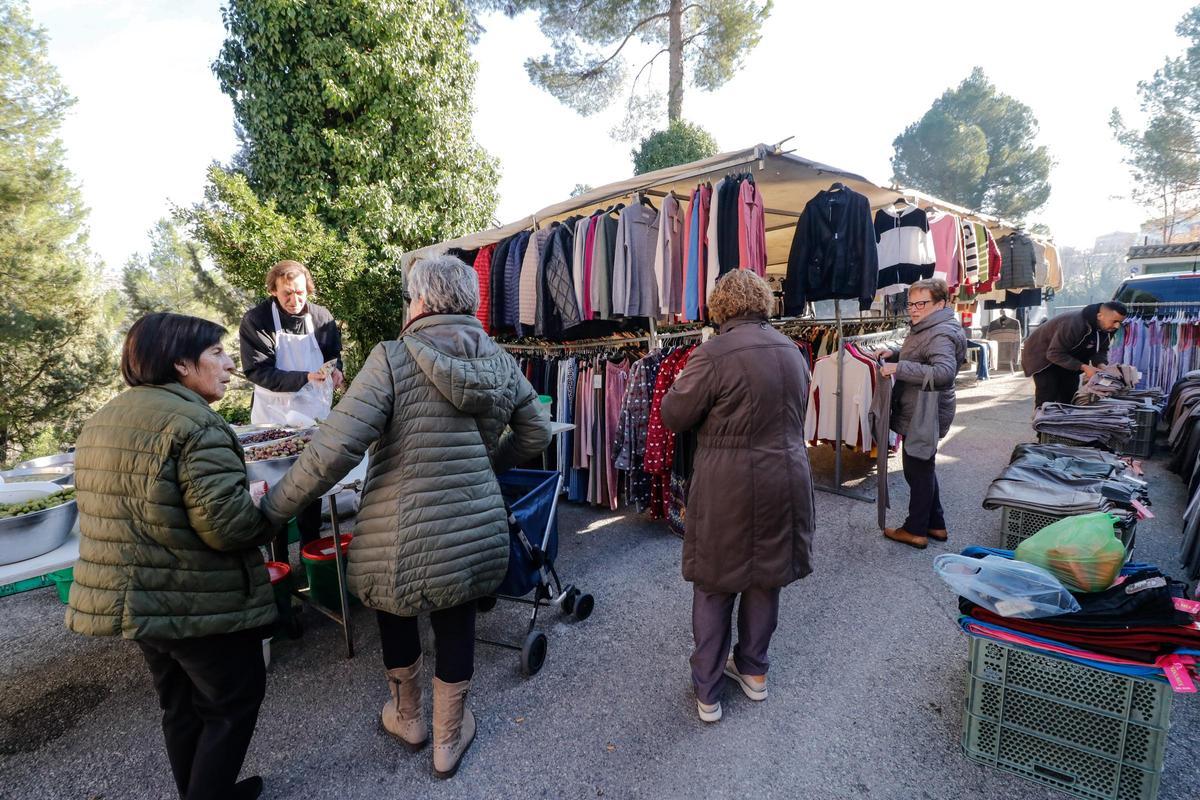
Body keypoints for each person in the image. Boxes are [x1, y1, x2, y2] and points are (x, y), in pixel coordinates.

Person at [258, 254, 552, 778]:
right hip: (473, 525)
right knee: (457, 613)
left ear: (420, 301)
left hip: (398, 529)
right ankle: (448, 738)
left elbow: (334, 449)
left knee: (396, 606)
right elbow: (536, 433)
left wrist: (273, 509)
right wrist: (486, 466)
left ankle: (409, 718)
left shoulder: (393, 358)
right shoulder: (502, 362)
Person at [66, 313, 277, 800]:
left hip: (138, 603)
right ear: (181, 363)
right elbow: (228, 529)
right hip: (192, 599)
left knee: (180, 704)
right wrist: (272, 508)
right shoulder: (195, 425)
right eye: (218, 354)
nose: (230, 365)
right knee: (233, 703)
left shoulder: (104, 418)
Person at [659, 270, 816, 724]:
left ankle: (708, 691)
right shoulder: (792, 351)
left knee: (715, 580)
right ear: (762, 303)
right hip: (786, 477)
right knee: (766, 575)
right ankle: (754, 672)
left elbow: (674, 414)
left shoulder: (712, 354)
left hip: (728, 481)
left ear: (720, 306)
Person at [239, 260, 343, 556]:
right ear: (273, 291)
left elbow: (333, 354)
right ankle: (280, 559)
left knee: (311, 486)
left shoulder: (322, 318)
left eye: (300, 292)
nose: (295, 300)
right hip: (273, 417)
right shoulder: (256, 320)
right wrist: (304, 377)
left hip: (313, 414)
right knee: (275, 495)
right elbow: (258, 371)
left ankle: (312, 554)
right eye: (287, 294)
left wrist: (337, 372)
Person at [877, 278, 968, 550]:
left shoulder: (939, 332)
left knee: (917, 469)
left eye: (921, 303)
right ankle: (935, 524)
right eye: (911, 303)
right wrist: (895, 353)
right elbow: (923, 356)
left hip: (924, 411)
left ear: (940, 304)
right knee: (922, 466)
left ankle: (915, 529)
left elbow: (943, 372)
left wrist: (898, 368)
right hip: (920, 409)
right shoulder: (929, 327)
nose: (914, 309)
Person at [1022, 301, 1128, 408]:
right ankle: (1041, 422)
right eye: (1114, 321)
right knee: (1047, 398)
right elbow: (1054, 353)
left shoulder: (1109, 327)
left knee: (1069, 397)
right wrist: (1084, 367)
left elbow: (1101, 349)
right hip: (1043, 357)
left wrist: (1101, 365)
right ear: (1099, 316)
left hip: (1069, 356)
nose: (1117, 326)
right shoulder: (1074, 324)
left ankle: (1064, 422)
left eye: (1120, 322)